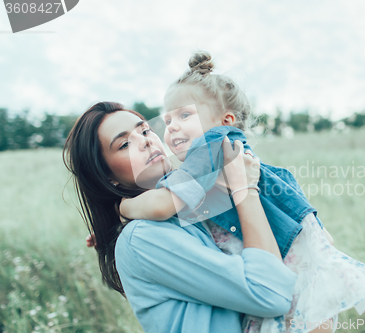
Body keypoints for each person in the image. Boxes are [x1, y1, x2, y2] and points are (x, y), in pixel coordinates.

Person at [118, 52, 365, 333]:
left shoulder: (213, 144)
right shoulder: (233, 157)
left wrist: (123, 208)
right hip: (299, 264)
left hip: (279, 265)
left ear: (226, 120)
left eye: (184, 115)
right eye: (168, 120)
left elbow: (163, 204)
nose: (172, 126)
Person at [63, 102, 299, 333]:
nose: (146, 141)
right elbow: (271, 294)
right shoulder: (142, 237)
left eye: (145, 130)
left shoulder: (191, 206)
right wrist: (245, 189)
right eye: (125, 144)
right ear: (106, 176)